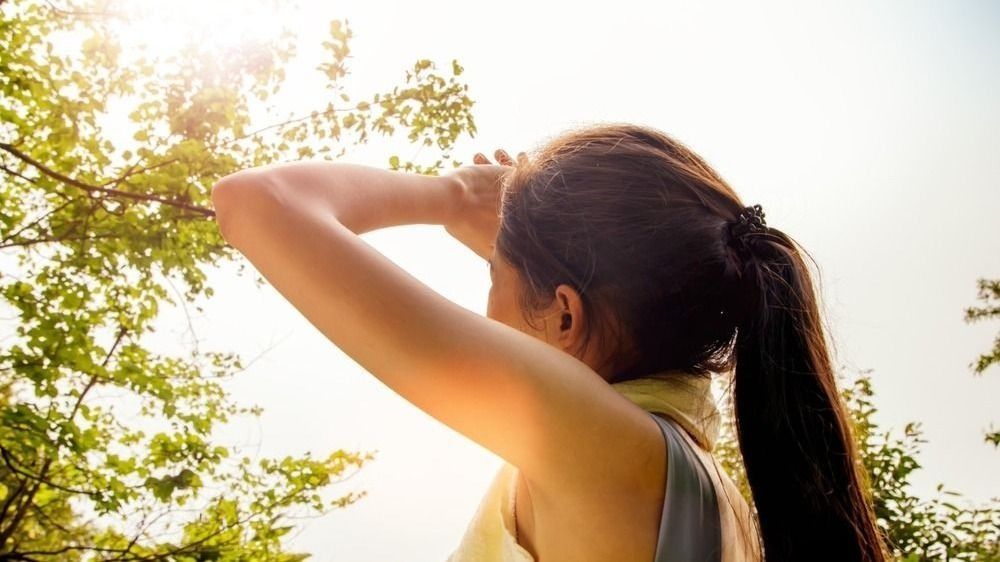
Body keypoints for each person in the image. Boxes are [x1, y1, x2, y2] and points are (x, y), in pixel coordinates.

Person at [211, 123, 889, 561]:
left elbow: (257, 203)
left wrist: (449, 195)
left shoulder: (603, 452)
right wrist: (523, 271)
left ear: (565, 318)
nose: (486, 311)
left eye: (488, 278)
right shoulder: (703, 495)